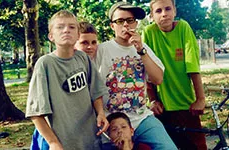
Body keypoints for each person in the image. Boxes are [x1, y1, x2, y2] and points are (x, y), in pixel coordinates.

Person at [95, 2, 177, 150]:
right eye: (120, 21)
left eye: (130, 20)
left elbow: (158, 79)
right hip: (112, 121)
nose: (126, 25)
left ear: (136, 23)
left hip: (141, 118)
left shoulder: (143, 48)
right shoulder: (102, 49)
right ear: (112, 26)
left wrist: (140, 49)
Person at [26, 10, 109, 150]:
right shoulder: (45, 64)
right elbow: (36, 113)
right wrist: (53, 142)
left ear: (77, 34)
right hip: (62, 142)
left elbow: (96, 91)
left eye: (72, 27)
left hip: (90, 140)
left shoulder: (83, 59)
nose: (66, 30)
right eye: (60, 27)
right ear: (51, 36)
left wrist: (100, 113)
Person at [142, 0, 207, 149]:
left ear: (175, 11)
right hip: (163, 107)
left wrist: (200, 98)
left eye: (168, 9)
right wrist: (152, 100)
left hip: (187, 105)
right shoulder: (149, 32)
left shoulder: (183, 28)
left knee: (197, 146)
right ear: (152, 15)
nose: (164, 14)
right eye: (158, 11)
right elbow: (146, 70)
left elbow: (193, 66)